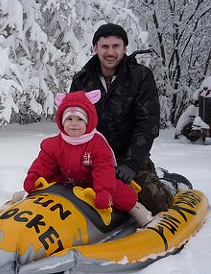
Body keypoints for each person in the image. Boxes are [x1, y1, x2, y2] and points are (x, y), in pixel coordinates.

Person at [69, 23, 173, 215]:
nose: (110, 52)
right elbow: (72, 123)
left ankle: (167, 183)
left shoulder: (140, 76)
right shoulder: (81, 80)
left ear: (125, 48)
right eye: (105, 46)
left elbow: (148, 124)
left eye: (116, 46)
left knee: (156, 203)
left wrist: (131, 164)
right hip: (91, 158)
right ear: (95, 48)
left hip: (129, 157)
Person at [23, 90, 153, 227]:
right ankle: (27, 198)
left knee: (118, 191)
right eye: (69, 119)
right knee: (43, 185)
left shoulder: (97, 144)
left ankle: (136, 208)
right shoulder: (53, 144)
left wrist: (103, 191)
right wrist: (34, 177)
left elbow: (103, 170)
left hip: (92, 182)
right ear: (61, 121)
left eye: (80, 119)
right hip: (66, 181)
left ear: (88, 121)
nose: (74, 124)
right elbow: (44, 164)